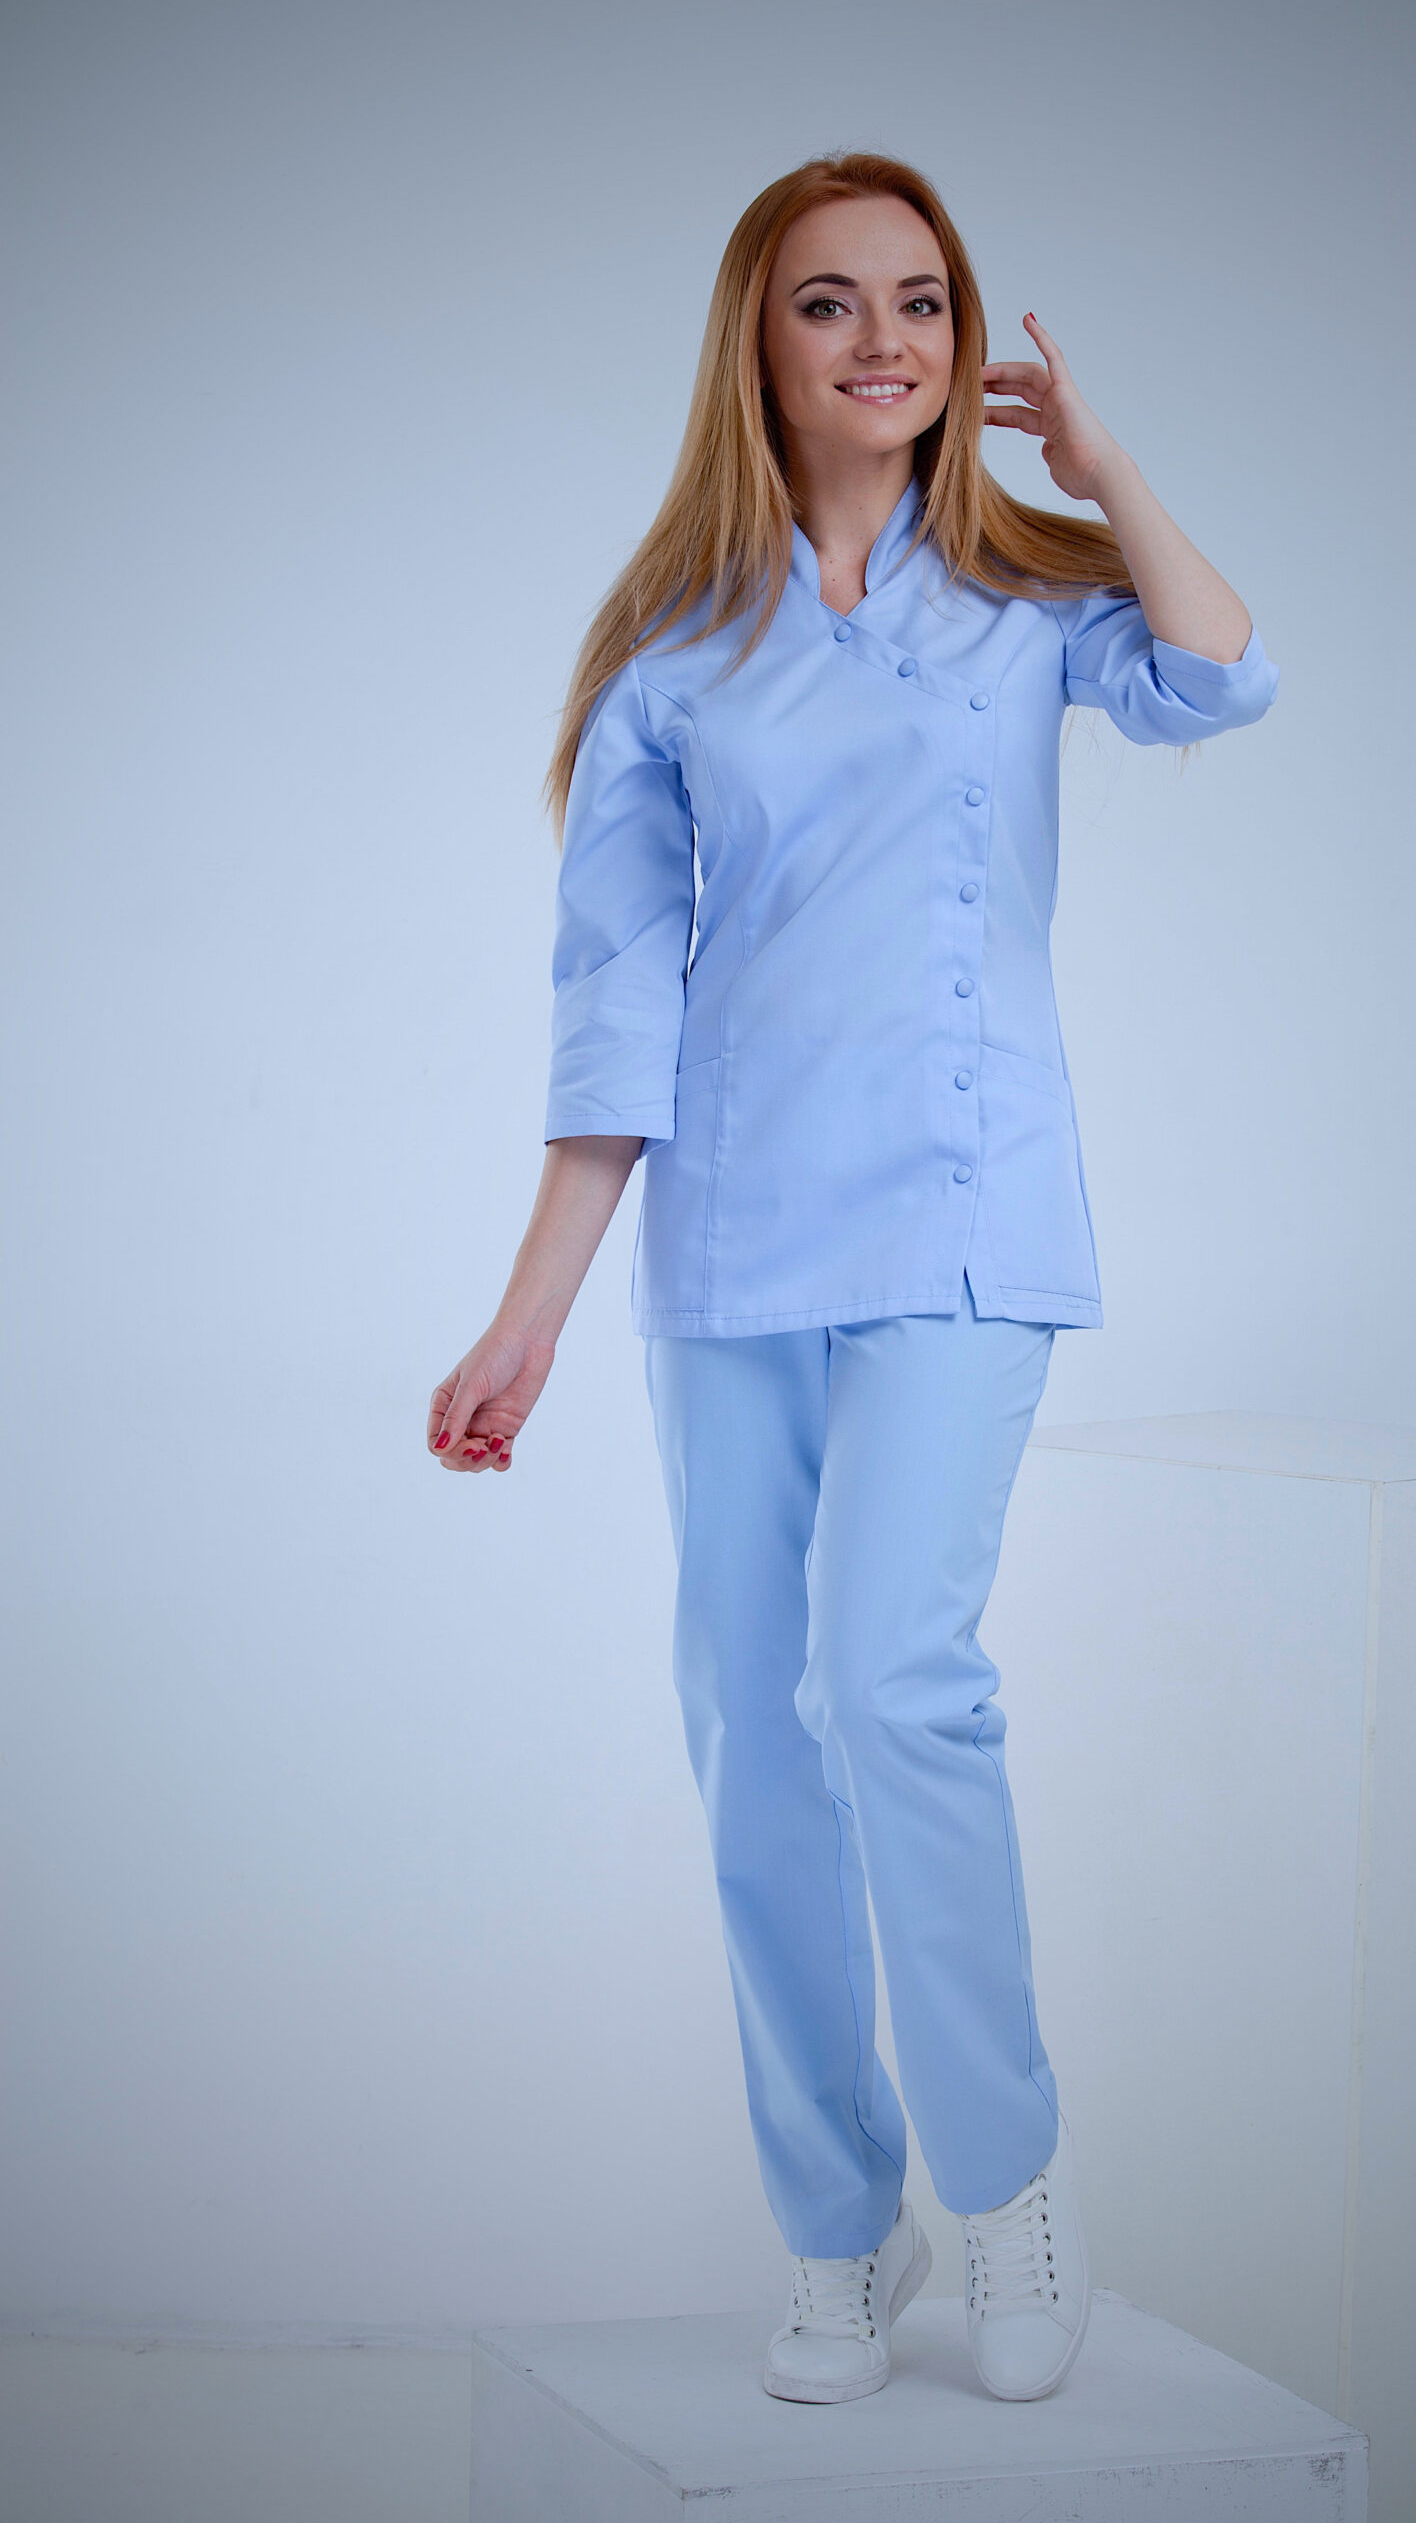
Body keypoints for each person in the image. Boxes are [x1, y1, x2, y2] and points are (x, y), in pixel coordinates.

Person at [427, 150, 1278, 2408]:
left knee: (892, 1677)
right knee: (750, 1730)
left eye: (920, 300)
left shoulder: (1023, 607)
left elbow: (1225, 673)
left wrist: (1096, 465)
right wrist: (526, 1311)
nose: (883, 338)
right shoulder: (670, 659)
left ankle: (1008, 2184)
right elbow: (615, 1006)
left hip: (965, 1224)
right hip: (727, 1247)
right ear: (759, 339)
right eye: (830, 301)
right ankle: (837, 2221)